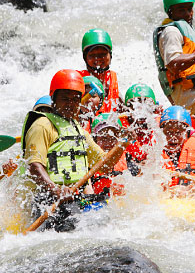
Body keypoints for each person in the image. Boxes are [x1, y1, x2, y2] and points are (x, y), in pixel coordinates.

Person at [20, 69, 131, 232]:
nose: (70, 104)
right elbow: (34, 166)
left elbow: (105, 165)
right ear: (53, 98)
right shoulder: (42, 126)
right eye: (65, 99)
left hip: (77, 199)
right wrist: (56, 190)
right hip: (49, 201)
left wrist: (122, 144)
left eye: (75, 99)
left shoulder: (78, 129)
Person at [78, 28, 122, 113]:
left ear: (110, 55)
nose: (98, 59)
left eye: (103, 54)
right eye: (92, 55)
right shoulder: (78, 80)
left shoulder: (111, 79)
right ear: (85, 58)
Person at [121, 83, 161, 165]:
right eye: (136, 105)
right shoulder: (120, 126)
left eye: (147, 105)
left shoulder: (159, 124)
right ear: (128, 109)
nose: (141, 110)